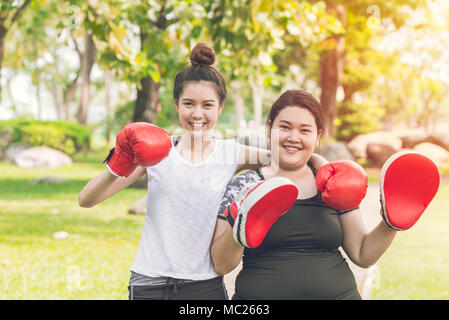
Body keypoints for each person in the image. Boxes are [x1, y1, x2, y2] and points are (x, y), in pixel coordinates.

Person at [78, 43, 327, 300]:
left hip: (204, 286)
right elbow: (87, 200)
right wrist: (120, 161)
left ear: (219, 107)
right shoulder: (157, 152)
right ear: (176, 105)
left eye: (207, 105)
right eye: (189, 103)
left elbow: (288, 154)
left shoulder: (231, 153)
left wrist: (325, 169)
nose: (197, 113)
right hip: (149, 283)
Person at [210, 89, 400, 300]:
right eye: (284, 127)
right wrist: (241, 220)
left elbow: (363, 254)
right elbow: (221, 264)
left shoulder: (334, 184)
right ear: (269, 129)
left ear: (317, 136)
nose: (293, 137)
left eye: (304, 130)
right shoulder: (243, 186)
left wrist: (391, 222)